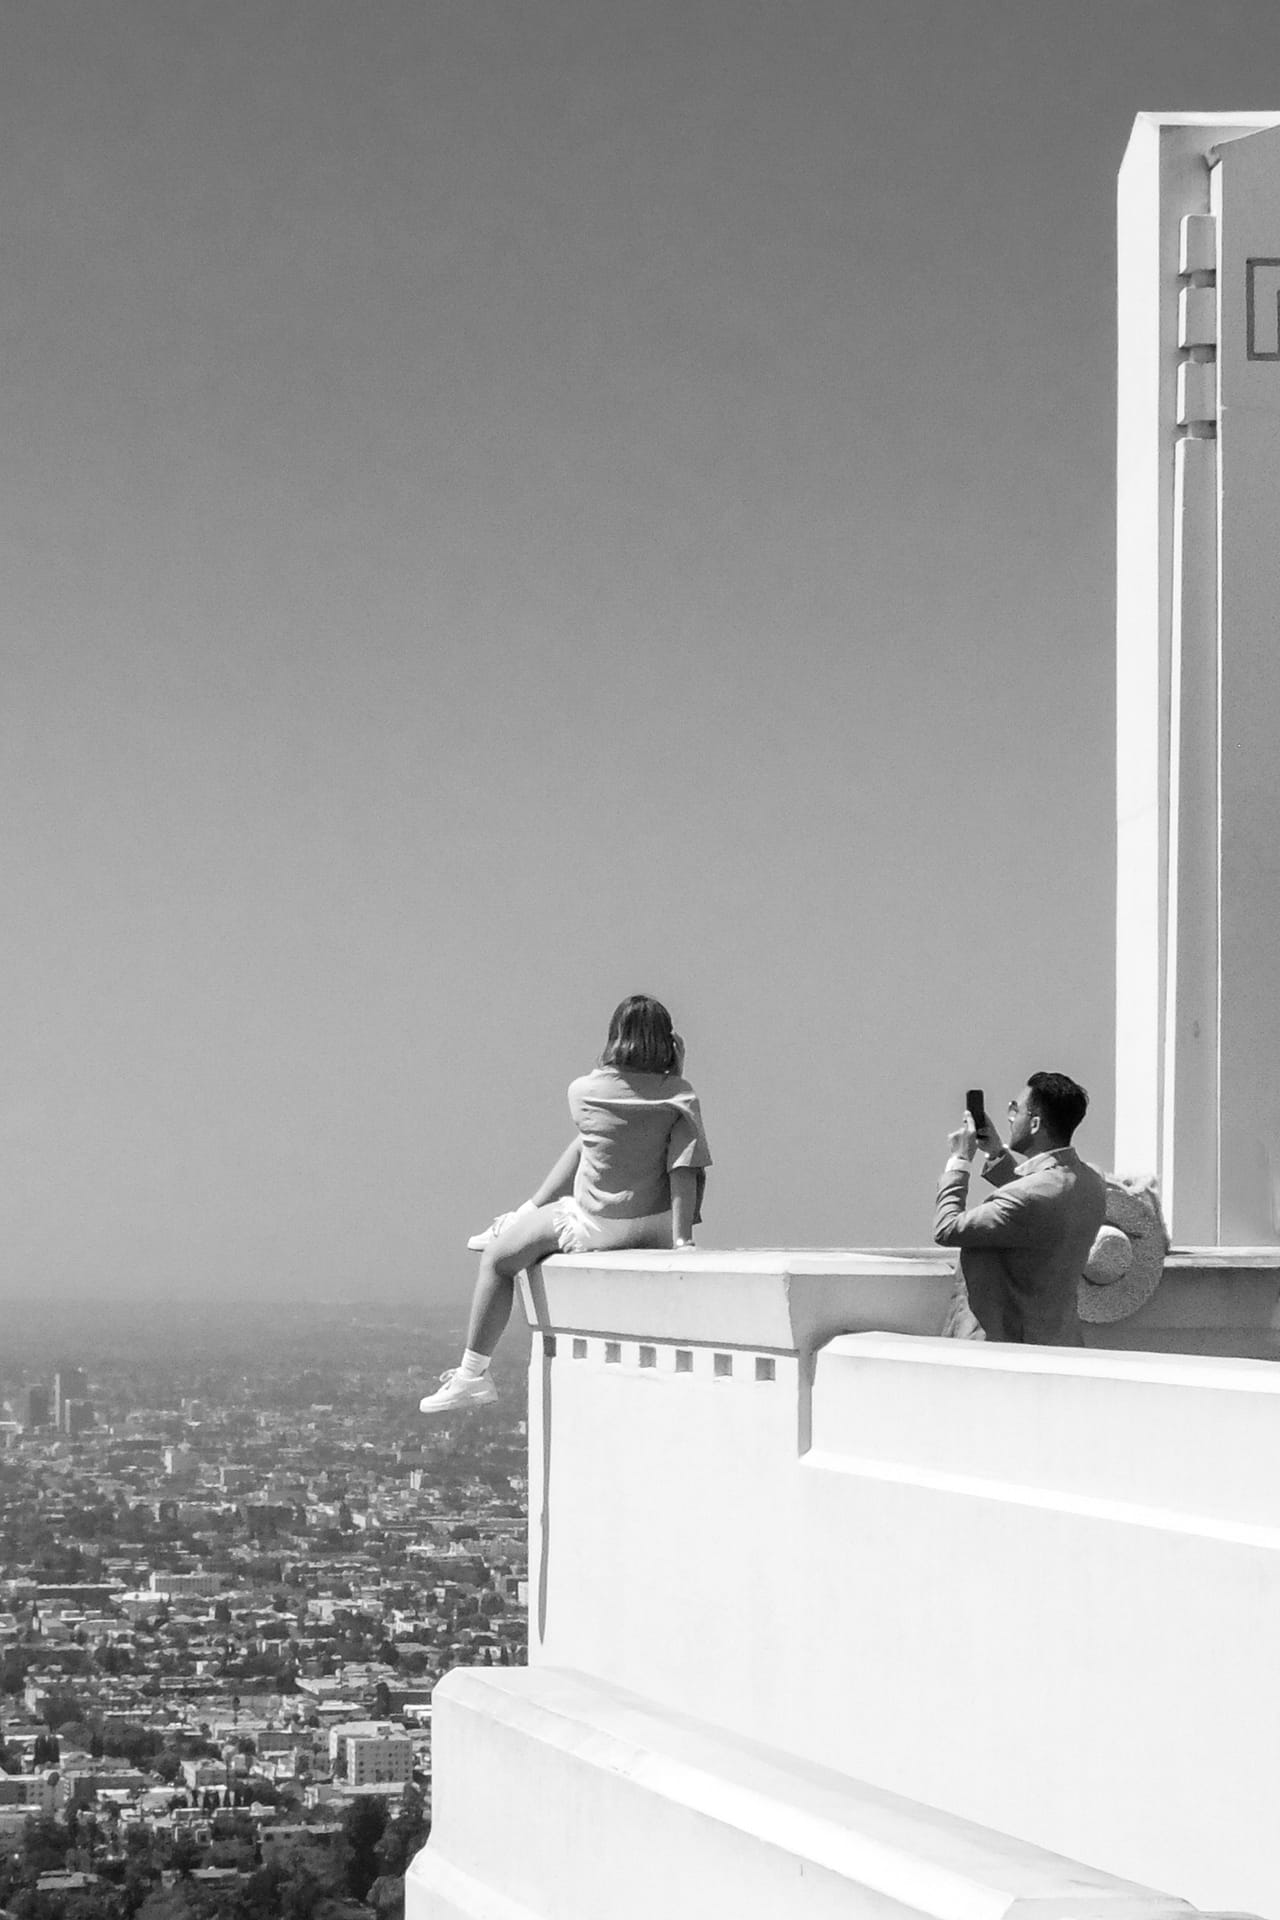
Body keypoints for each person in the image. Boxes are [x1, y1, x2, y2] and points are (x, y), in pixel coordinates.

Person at [419, 994, 711, 1413]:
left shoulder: (583, 1091)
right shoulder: (680, 1096)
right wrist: (683, 1242)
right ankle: (522, 1214)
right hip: (661, 1225)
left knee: (498, 1261)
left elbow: (616, 1115)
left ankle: (472, 1375)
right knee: (593, 1139)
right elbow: (682, 1165)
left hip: (599, 1225)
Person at [933, 1071, 1106, 1345]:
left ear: (1035, 1123)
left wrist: (960, 1160)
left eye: (1015, 1109)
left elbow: (947, 1228)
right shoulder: (1092, 1182)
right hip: (1059, 1344)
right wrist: (996, 1153)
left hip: (1003, 1351)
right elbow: (1041, 1202)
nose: (1010, 1117)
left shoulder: (1028, 1197)